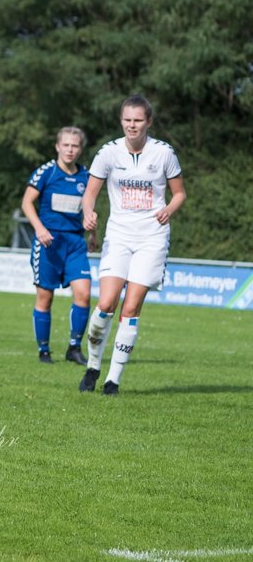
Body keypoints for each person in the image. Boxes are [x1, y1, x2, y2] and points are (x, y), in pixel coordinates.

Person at [79, 94, 186, 396]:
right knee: (106, 303)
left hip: (152, 237)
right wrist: (89, 214)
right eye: (127, 120)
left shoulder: (164, 153)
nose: (132, 125)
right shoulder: (108, 153)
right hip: (119, 235)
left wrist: (169, 209)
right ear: (121, 121)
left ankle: (113, 380)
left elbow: (179, 194)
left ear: (149, 122)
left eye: (138, 120)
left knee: (131, 306)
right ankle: (93, 366)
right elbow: (90, 194)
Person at [20, 127, 93, 365]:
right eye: (66, 145)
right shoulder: (46, 172)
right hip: (49, 243)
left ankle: (74, 348)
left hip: (75, 243)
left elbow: (89, 209)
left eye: (75, 146)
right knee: (45, 297)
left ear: (80, 149)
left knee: (83, 294)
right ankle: (44, 351)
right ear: (57, 146)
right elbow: (27, 203)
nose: (70, 150)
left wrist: (93, 234)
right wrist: (40, 228)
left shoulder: (87, 176)